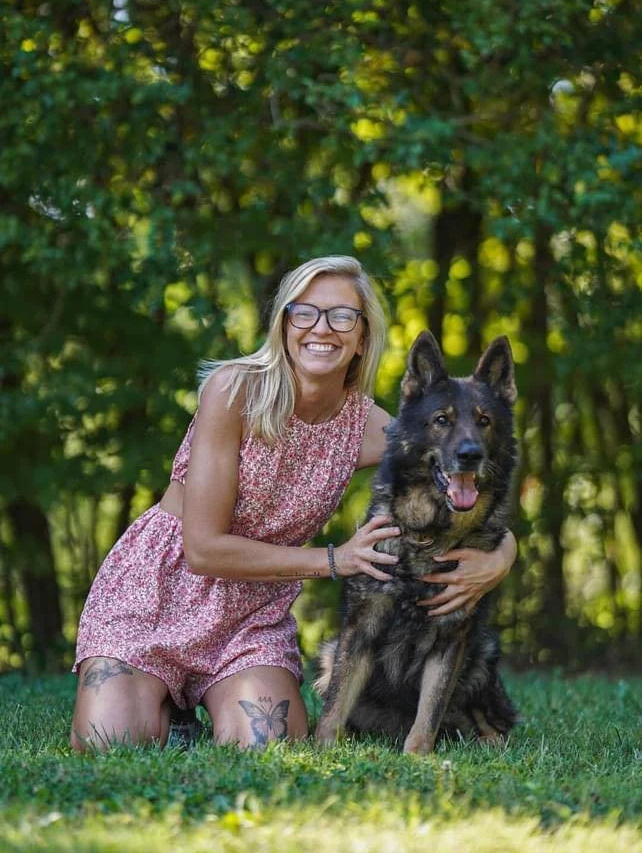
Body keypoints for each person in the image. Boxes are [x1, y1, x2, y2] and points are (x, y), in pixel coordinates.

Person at [70, 255, 517, 751]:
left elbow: (451, 463)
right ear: (283, 324)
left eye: (342, 316)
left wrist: (502, 555)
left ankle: (198, 705)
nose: (321, 328)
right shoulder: (235, 390)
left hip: (251, 611)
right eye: (304, 312)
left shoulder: (369, 427)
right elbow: (203, 549)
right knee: (108, 741)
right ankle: (169, 708)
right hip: (160, 588)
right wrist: (336, 560)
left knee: (268, 742)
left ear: (362, 337)